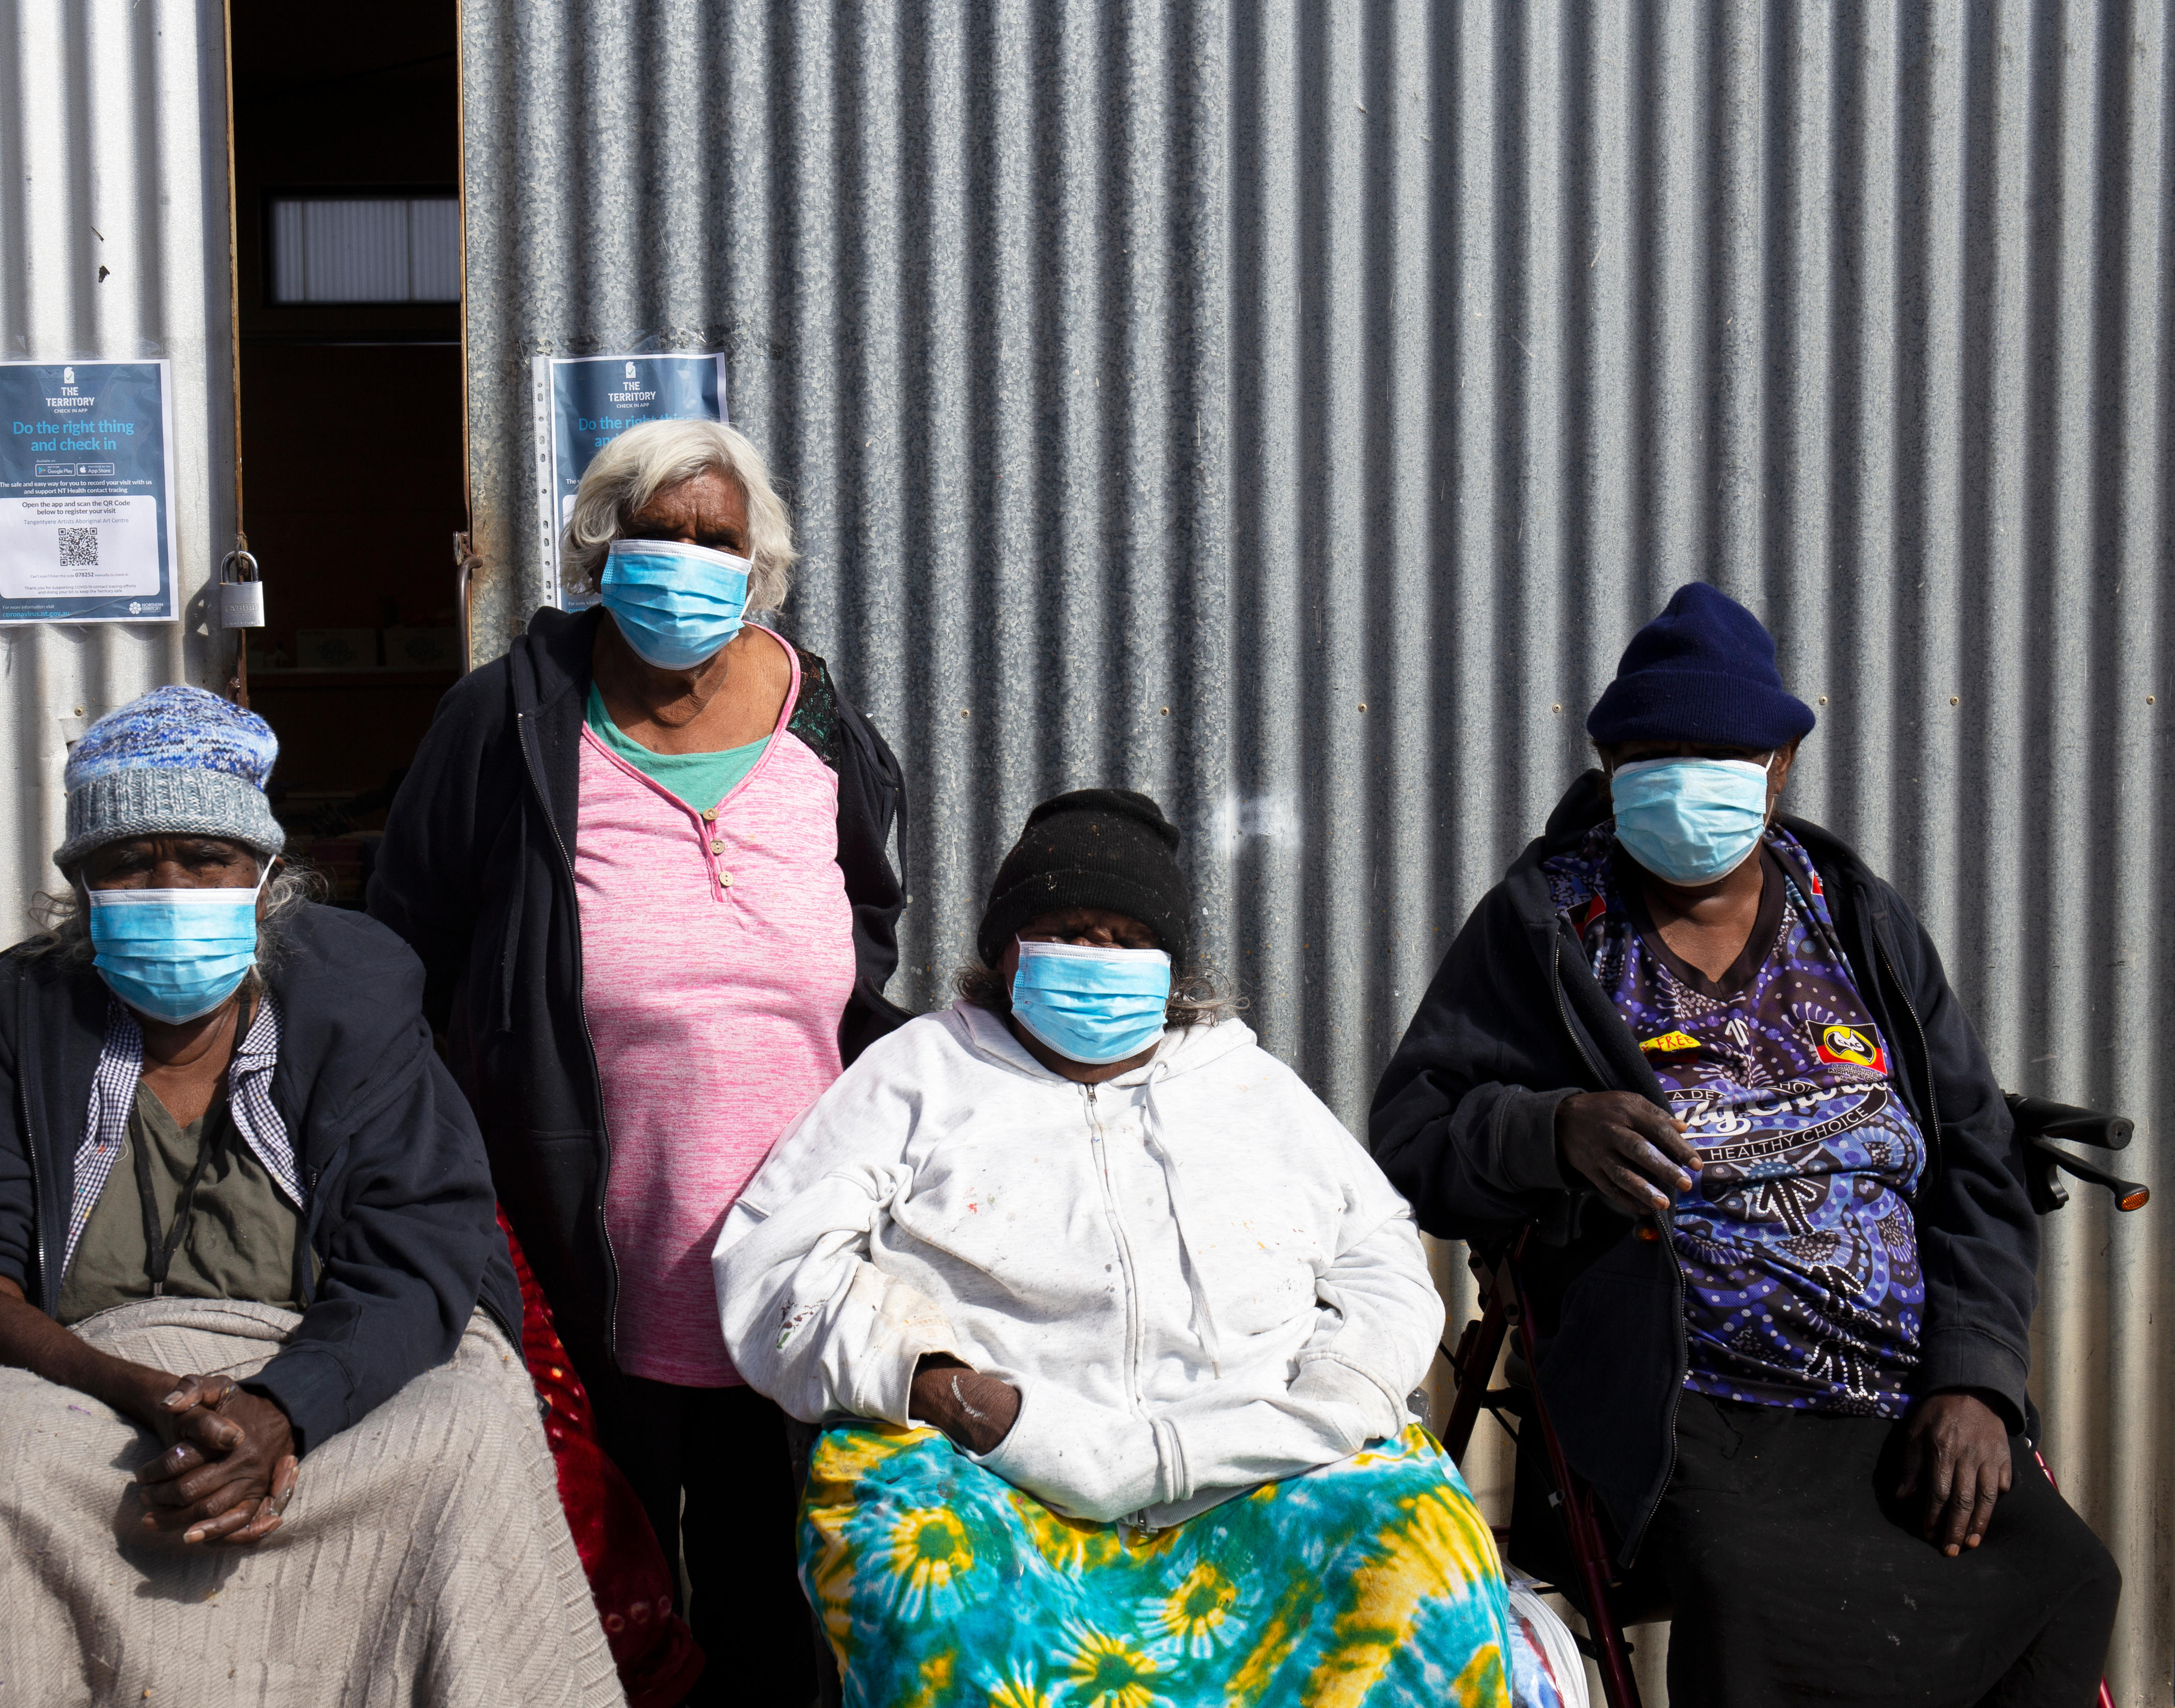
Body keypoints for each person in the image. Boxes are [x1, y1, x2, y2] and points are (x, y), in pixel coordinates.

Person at [0, 686, 623, 1707]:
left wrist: (281, 1410)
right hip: (79, 1380)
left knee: (469, 1434)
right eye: (129, 863)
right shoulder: (8, 1012)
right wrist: (137, 1390)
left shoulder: (357, 997)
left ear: (264, 877)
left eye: (205, 858)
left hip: (324, 1364)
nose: (167, 885)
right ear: (82, 883)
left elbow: (417, 1256)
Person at [1370, 584, 2120, 1705]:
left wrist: (1976, 1380)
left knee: (2064, 1572)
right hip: (1689, 1395)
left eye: (1713, 751)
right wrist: (1549, 1127)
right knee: (1759, 1593)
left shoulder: (1850, 910)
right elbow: (1414, 1131)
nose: (1681, 775)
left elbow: (1970, 1145)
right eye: (1650, 751)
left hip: (1903, 1385)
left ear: (1776, 765)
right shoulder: (1550, 920)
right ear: (1610, 764)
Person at [715, 789, 1516, 1707]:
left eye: (1125, 938)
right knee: (928, 1593)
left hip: (1259, 1461)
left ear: (1171, 966)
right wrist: (947, 1387)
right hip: (995, 1471)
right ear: (1003, 951)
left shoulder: (1250, 1086)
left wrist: (1337, 1395)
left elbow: (1379, 1258)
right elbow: (776, 1260)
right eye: (1064, 929)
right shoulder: (919, 1073)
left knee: (1426, 1557)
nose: (1094, 957)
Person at [367, 418, 907, 1703]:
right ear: (598, 549)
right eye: (655, 531)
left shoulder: (818, 720)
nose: (684, 558)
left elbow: (871, 914)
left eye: (714, 538)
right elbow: (407, 940)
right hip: (576, 1243)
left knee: (772, 1593)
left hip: (790, 1252)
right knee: (591, 1583)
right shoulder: (506, 720)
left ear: (758, 566)